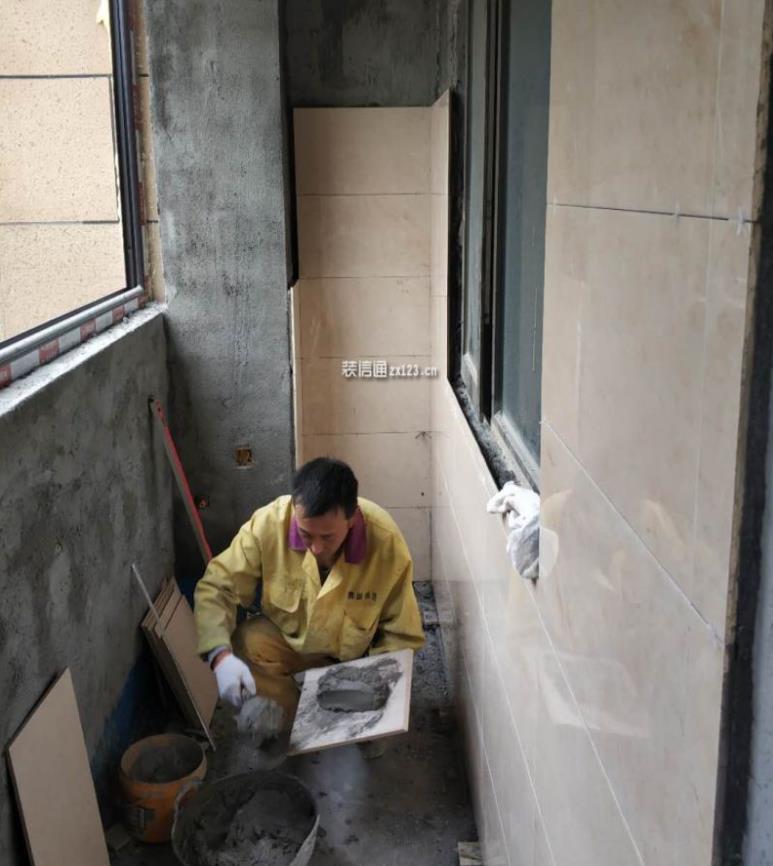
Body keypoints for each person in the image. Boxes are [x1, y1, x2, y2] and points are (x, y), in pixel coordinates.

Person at [194, 457, 425, 731]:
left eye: (327, 537)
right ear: (294, 509)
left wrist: (376, 688)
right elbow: (218, 586)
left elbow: (402, 635)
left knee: (371, 734)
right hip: (294, 644)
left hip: (357, 658)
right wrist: (220, 657)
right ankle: (294, 726)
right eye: (306, 534)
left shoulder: (385, 541)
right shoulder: (268, 525)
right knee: (248, 642)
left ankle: (348, 728)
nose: (316, 548)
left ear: (352, 519)